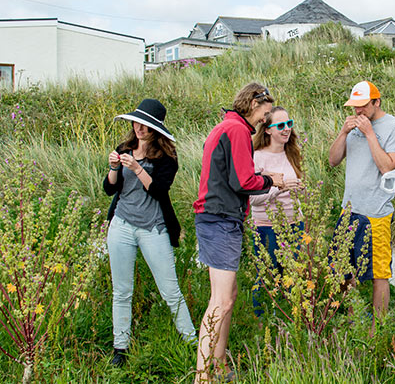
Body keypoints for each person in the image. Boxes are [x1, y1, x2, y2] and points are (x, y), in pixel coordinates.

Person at [193, 82, 284, 383]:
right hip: (219, 219)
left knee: (228, 295)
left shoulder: (228, 126)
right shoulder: (237, 131)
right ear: (253, 104)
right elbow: (243, 181)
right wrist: (270, 180)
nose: (265, 120)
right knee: (220, 300)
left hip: (217, 217)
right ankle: (202, 375)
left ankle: (218, 365)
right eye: (266, 113)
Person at [103, 98, 196, 367]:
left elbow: (158, 190)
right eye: (136, 122)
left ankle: (191, 340)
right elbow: (110, 189)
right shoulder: (124, 149)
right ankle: (120, 347)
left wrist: (137, 168)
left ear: (155, 128)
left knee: (170, 290)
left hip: (153, 228)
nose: (139, 128)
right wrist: (114, 168)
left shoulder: (168, 157)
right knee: (121, 291)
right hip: (121, 225)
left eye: (145, 124)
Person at [328, 80, 395, 320]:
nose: (358, 112)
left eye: (363, 106)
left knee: (378, 273)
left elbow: (387, 167)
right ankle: (352, 320)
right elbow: (332, 160)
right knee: (341, 270)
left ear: (377, 102)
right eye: (354, 107)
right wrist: (343, 132)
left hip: (376, 213)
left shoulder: (394, 127)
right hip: (349, 210)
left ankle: (377, 328)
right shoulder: (351, 128)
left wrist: (370, 134)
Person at [250, 106, 304, 317]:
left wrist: (300, 189)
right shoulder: (257, 157)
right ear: (267, 130)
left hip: (294, 223)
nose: (286, 129)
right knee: (266, 278)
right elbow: (253, 199)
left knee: (294, 276)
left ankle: (291, 321)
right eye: (280, 125)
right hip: (267, 227)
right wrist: (278, 187)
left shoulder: (291, 152)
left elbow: (296, 184)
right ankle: (262, 323)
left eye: (289, 124)